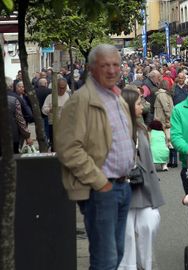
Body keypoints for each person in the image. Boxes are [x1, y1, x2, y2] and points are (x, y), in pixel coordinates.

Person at [56, 44, 135, 270]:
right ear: (91, 69)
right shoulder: (80, 100)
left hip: (122, 186)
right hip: (101, 190)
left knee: (117, 254)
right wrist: (99, 182)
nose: (112, 70)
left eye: (115, 64)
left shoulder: (116, 96)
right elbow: (68, 148)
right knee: (105, 260)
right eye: (105, 65)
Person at [118, 86, 165, 270]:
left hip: (144, 188)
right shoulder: (119, 130)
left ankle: (144, 265)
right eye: (138, 103)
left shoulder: (140, 126)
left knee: (149, 225)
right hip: (127, 189)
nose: (142, 106)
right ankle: (128, 266)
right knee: (127, 235)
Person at [41, 78, 70, 151]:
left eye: (64, 88)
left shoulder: (68, 96)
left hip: (65, 124)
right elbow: (44, 109)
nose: (62, 90)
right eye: (60, 88)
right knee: (54, 145)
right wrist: (50, 110)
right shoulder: (50, 97)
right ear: (56, 87)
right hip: (53, 124)